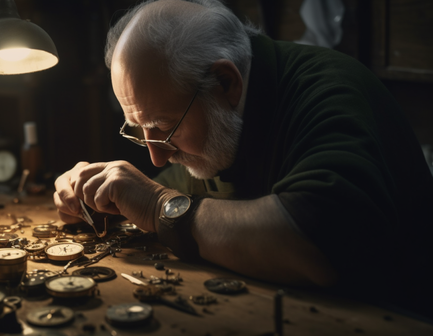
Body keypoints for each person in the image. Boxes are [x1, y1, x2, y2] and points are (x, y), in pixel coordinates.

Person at [54, 0, 433, 318]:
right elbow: (170, 187)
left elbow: (320, 241)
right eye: (140, 132)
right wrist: (102, 196)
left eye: (165, 129)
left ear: (225, 82)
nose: (156, 157)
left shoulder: (332, 91)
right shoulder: (219, 121)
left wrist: (158, 205)